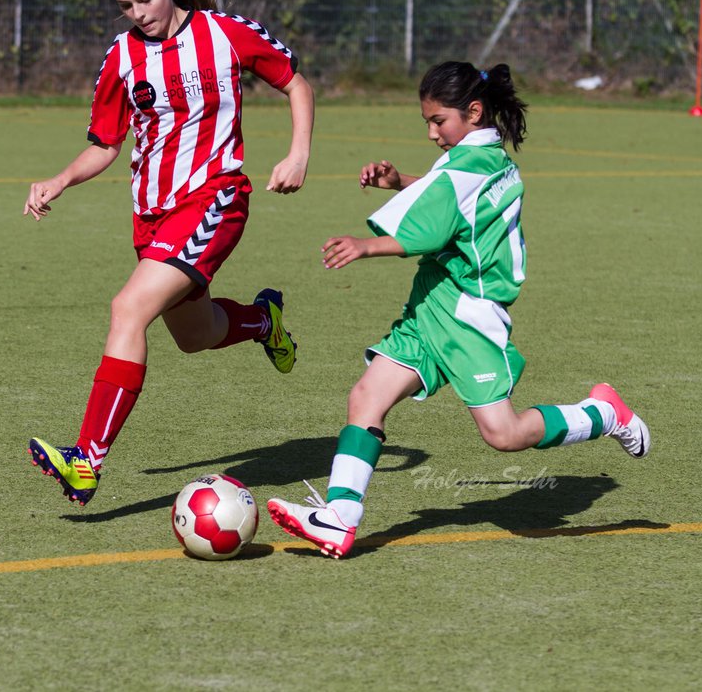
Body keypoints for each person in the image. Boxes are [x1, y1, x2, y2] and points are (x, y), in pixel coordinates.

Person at [266, 62, 650, 559]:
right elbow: (447, 196)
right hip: (432, 301)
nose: (431, 132)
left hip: (469, 313)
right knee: (366, 397)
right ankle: (340, 517)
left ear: (473, 112)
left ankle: (602, 413)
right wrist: (400, 180)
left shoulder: (472, 166)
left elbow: (431, 228)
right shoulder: (479, 158)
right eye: (426, 121)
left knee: (504, 435)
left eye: (438, 121)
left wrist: (365, 245)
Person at [24, 0, 315, 506]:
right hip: (152, 216)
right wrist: (60, 179)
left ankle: (87, 460)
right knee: (194, 335)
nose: (138, 14)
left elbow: (295, 83)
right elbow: (105, 144)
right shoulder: (121, 56)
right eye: (126, 5)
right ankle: (263, 321)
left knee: (127, 308)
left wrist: (298, 152)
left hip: (215, 198)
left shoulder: (225, 33)